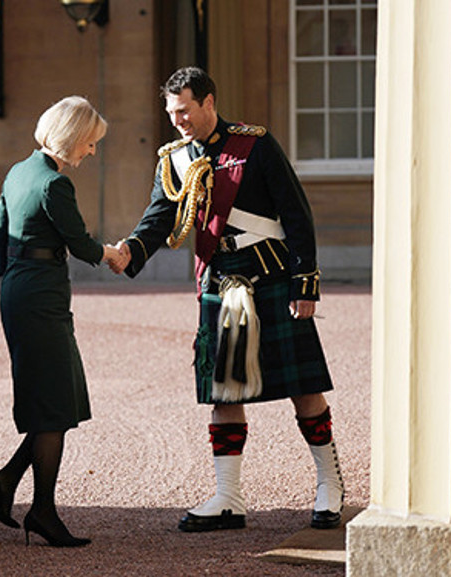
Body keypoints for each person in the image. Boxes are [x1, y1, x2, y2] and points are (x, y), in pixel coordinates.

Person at [109, 67, 344, 532]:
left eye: (185, 110)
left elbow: (296, 214)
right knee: (224, 390)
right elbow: (159, 219)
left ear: (209, 103)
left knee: (303, 386)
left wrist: (306, 284)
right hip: (220, 280)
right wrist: (128, 251)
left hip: (271, 274)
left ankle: (329, 483)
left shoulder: (254, 144)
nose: (178, 121)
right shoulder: (174, 159)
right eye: (172, 112)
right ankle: (229, 497)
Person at [0, 96, 121, 547]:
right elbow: (79, 243)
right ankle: (42, 511)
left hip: (20, 289)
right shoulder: (55, 184)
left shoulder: (18, 171)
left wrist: (16, 274)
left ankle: (6, 481)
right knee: (54, 404)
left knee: (55, 399)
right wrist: (112, 254)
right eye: (91, 143)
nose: (92, 152)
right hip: (41, 297)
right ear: (74, 138)